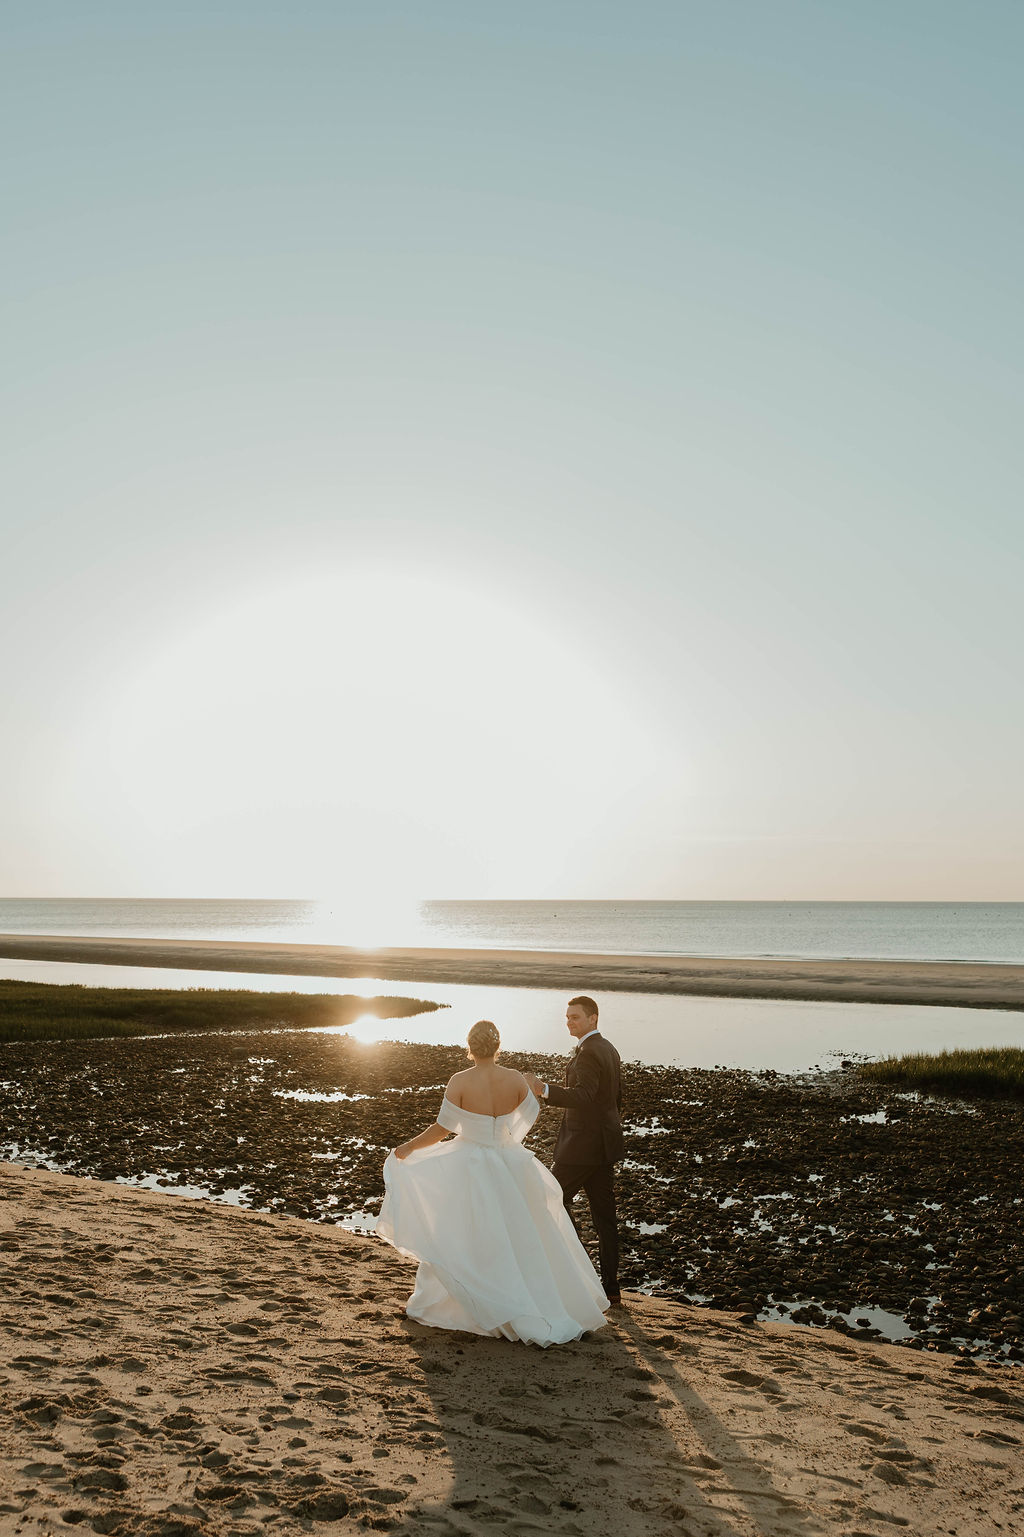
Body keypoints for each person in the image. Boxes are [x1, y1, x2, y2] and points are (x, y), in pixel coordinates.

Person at [375, 1019, 609, 1347]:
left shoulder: (459, 1081)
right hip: (510, 1163)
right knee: (522, 1236)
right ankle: (533, 1300)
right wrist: (507, 1139)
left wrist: (407, 1148)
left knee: (466, 1234)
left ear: (470, 1047)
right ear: (498, 1047)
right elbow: (529, 1114)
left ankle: (478, 1303)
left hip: (469, 1164)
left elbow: (442, 1129)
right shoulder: (514, 1079)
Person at [522, 996, 624, 1306]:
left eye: (576, 1017)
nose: (570, 1021)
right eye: (567, 1017)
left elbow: (585, 1096)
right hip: (604, 1146)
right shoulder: (608, 1048)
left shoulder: (589, 1053)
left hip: (581, 1148)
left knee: (550, 1196)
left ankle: (579, 1270)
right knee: (605, 1219)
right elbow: (616, 1098)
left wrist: (543, 1089)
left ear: (593, 1019)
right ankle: (611, 1288)